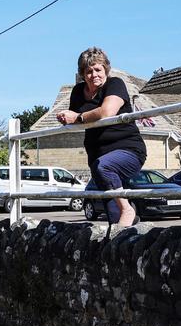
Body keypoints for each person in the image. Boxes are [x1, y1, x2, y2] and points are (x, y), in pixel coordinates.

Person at [56, 47, 146, 227]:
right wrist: (66, 117)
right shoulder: (77, 92)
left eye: (98, 69)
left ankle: (128, 210)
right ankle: (130, 232)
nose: (94, 74)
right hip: (96, 155)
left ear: (105, 70)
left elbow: (107, 112)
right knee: (115, 218)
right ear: (82, 74)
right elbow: (74, 119)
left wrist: (78, 117)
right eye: (89, 71)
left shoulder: (115, 84)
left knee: (104, 168)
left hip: (127, 150)